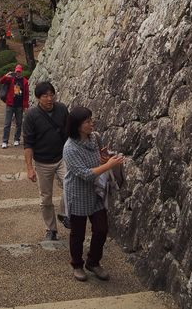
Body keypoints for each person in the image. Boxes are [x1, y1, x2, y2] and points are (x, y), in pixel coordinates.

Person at [63, 106, 125, 282]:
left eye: (91, 119)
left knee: (101, 229)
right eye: (87, 121)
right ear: (77, 126)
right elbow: (86, 174)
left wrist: (104, 159)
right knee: (78, 233)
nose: (92, 123)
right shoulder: (70, 148)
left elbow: (98, 159)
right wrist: (109, 165)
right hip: (77, 193)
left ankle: (93, 261)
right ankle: (77, 264)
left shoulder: (95, 137)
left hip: (96, 190)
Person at [22, 81, 69, 240]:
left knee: (71, 185)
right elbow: (28, 143)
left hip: (63, 157)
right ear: (37, 98)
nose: (49, 99)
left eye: (51, 95)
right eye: (45, 96)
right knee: (46, 198)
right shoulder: (31, 116)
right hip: (42, 162)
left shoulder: (62, 109)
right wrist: (29, 168)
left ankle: (64, 213)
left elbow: (70, 132)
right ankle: (51, 229)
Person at [0, 64, 29, 148]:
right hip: (10, 104)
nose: (18, 73)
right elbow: (1, 81)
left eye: (19, 71)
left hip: (19, 105)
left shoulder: (25, 81)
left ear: (21, 72)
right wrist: (6, 75)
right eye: (16, 71)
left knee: (19, 123)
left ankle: (17, 139)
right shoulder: (11, 79)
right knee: (7, 123)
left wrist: (26, 106)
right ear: (15, 71)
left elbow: (26, 94)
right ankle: (5, 141)